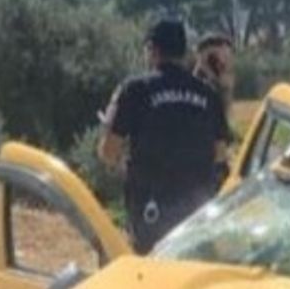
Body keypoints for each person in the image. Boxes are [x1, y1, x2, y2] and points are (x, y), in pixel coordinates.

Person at [98, 18, 229, 254]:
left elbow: (108, 152)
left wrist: (123, 166)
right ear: (184, 52)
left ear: (152, 50)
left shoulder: (135, 89)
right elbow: (220, 155)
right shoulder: (209, 95)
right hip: (197, 213)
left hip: (150, 213)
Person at [192, 32, 236, 189]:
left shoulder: (220, 84)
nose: (222, 62)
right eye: (215, 58)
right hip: (201, 165)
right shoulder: (197, 88)